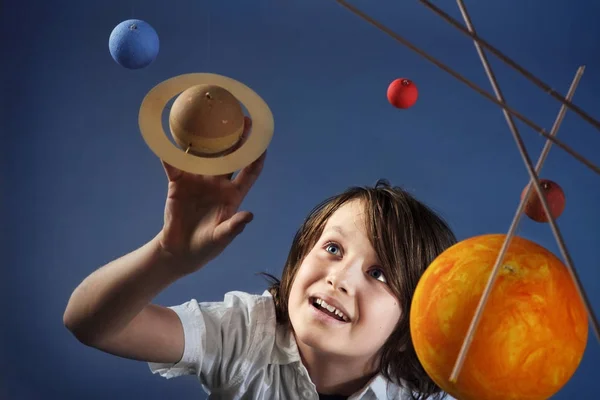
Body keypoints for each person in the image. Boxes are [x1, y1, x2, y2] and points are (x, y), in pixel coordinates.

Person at [63, 120, 458, 400]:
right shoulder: (246, 333)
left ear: (415, 320)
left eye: (378, 273)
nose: (339, 278)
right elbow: (89, 325)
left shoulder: (433, 391)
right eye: (333, 249)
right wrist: (167, 256)